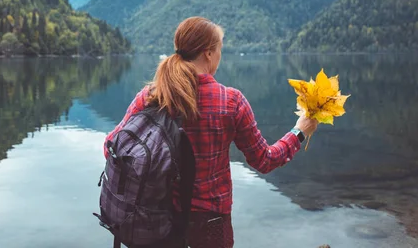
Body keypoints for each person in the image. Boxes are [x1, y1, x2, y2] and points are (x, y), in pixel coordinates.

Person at [105, 17, 318, 248]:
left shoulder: (152, 95)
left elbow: (111, 147)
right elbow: (264, 160)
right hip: (210, 225)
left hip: (155, 221)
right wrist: (299, 132)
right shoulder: (231, 101)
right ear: (208, 53)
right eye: (219, 50)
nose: (219, 56)